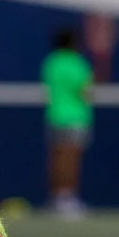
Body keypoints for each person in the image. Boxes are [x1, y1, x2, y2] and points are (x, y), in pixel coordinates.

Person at [42, 27, 95, 217]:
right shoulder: (78, 63)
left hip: (54, 116)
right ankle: (67, 198)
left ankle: (56, 197)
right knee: (71, 159)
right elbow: (86, 92)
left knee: (56, 158)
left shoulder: (51, 62)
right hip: (74, 118)